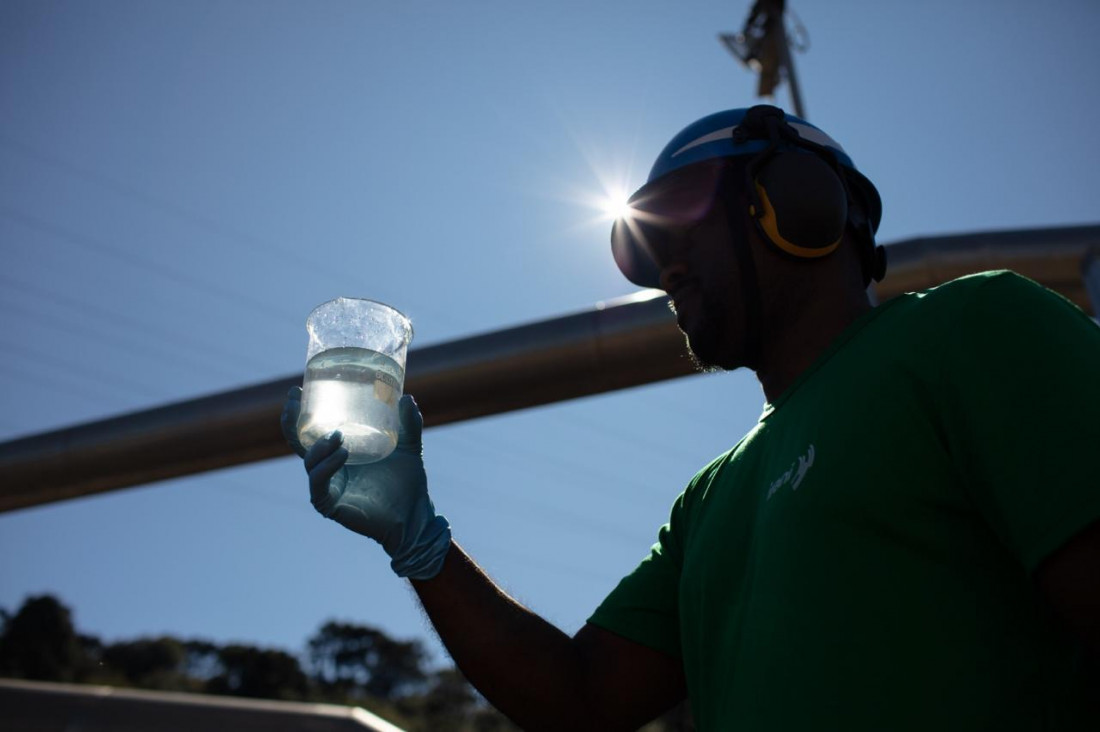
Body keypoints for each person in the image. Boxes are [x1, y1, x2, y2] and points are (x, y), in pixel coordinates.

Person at [282, 105, 1100, 730]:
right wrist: (420, 541)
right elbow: (581, 699)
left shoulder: (976, 329)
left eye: (683, 222)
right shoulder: (710, 499)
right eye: (646, 250)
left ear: (796, 203)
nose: (662, 269)